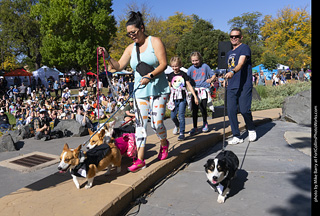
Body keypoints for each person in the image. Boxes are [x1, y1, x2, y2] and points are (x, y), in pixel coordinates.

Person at [98, 11, 170, 172]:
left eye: (134, 32)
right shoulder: (130, 49)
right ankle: (140, 159)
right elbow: (118, 67)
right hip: (140, 92)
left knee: (157, 123)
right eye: (129, 34)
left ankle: (164, 143)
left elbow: (163, 64)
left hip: (159, 89)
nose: (131, 36)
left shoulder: (155, 42)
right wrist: (108, 56)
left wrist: (149, 76)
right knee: (140, 126)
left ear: (142, 28)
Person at [225, 28, 256, 145]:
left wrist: (233, 72)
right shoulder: (229, 53)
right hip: (232, 85)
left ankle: (251, 128)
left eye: (236, 36)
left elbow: (241, 63)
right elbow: (228, 68)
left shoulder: (244, 48)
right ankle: (236, 135)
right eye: (231, 36)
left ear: (241, 37)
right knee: (231, 110)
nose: (233, 38)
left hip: (244, 84)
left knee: (244, 109)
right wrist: (226, 78)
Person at [167, 56, 198, 141]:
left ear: (180, 65)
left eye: (176, 66)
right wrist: (167, 98)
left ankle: (182, 133)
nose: (175, 68)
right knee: (173, 116)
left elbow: (189, 86)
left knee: (181, 115)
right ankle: (177, 125)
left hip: (182, 98)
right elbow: (169, 87)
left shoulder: (183, 74)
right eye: (173, 66)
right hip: (174, 98)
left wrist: (195, 97)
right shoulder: (170, 75)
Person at [187, 52, 216, 135]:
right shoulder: (190, 69)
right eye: (193, 61)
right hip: (194, 90)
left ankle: (205, 123)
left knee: (203, 108)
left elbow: (213, 75)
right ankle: (195, 127)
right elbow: (186, 79)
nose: (195, 62)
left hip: (203, 90)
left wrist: (211, 79)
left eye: (196, 60)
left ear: (200, 59)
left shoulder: (205, 66)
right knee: (194, 110)